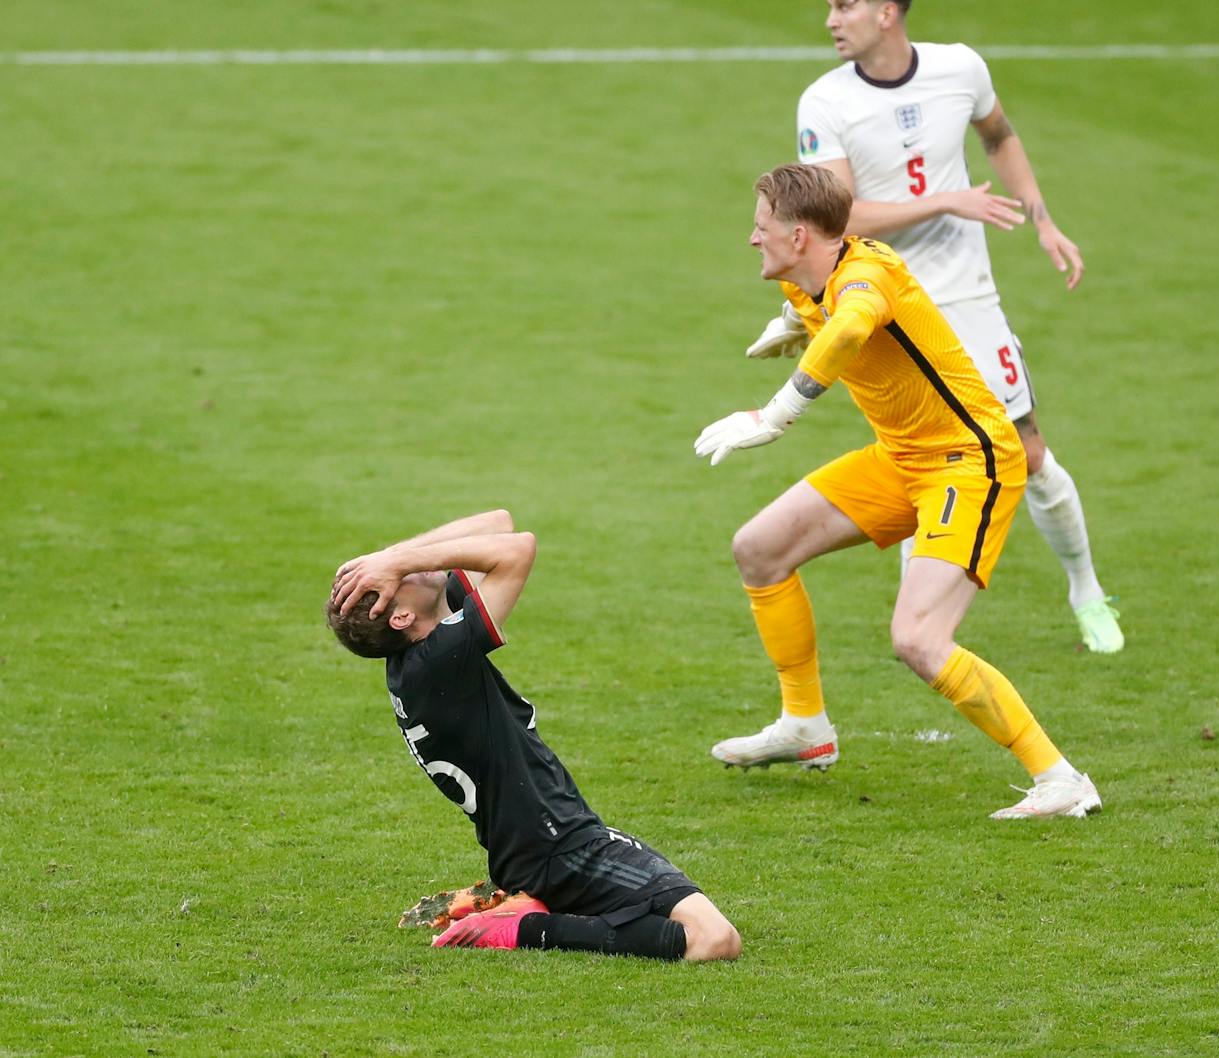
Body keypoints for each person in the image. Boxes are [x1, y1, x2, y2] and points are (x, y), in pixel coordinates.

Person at [694, 163, 1101, 820]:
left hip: (969, 463)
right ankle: (805, 726)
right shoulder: (809, 278)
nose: (752, 238)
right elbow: (828, 314)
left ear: (799, 237)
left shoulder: (864, 278)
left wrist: (774, 416)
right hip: (903, 458)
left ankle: (1061, 779)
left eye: (761, 226)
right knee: (760, 548)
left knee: (919, 638)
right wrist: (797, 323)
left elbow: (853, 326)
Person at [745, 0, 1123, 654]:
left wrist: (1043, 219)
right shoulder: (825, 102)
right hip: (885, 307)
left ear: (888, 11)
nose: (831, 18)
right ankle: (923, 630)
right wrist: (945, 200)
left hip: (968, 297)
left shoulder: (960, 69)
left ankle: (1086, 592)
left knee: (1030, 454)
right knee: (918, 455)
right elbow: (839, 220)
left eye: (846, 4)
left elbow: (999, 136)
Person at [327, 509, 741, 961]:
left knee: (666, 905)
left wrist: (392, 557)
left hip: (538, 848)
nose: (410, 568)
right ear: (402, 617)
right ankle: (526, 927)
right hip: (560, 850)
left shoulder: (422, 649)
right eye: (398, 579)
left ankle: (524, 899)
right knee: (714, 939)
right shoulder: (439, 660)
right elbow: (517, 550)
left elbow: (498, 525)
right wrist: (401, 561)